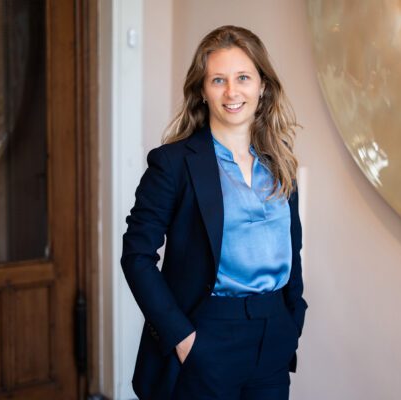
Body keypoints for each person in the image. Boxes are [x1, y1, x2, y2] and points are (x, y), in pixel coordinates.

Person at [121, 25, 307, 400]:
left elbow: (292, 247)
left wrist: (293, 316)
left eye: (243, 78)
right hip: (207, 337)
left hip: (273, 336)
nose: (232, 92)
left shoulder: (281, 161)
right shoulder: (172, 163)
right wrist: (182, 339)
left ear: (263, 86)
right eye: (218, 80)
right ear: (203, 91)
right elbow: (137, 255)